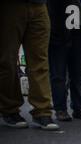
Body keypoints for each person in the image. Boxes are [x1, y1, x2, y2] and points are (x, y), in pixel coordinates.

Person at [0, 0, 59, 130]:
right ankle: (9, 109)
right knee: (7, 61)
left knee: (40, 62)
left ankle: (42, 111)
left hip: (39, 5)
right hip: (10, 7)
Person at [47, 0, 81, 122]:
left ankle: (78, 107)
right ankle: (60, 109)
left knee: (78, 74)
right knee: (58, 74)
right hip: (58, 32)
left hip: (78, 32)